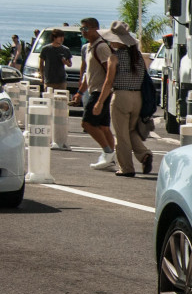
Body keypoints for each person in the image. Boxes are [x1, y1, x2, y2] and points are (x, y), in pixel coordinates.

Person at [98, 20, 154, 178]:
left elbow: (109, 82)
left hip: (121, 96)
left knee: (121, 134)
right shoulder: (138, 58)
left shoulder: (114, 58)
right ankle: (144, 154)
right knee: (130, 130)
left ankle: (126, 167)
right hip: (137, 97)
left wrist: (100, 102)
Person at [77, 18, 116, 170]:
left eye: (86, 29)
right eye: (82, 29)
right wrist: (80, 92)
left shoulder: (101, 47)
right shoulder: (89, 47)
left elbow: (109, 73)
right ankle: (110, 159)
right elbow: (88, 74)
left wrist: (101, 98)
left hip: (101, 91)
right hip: (94, 89)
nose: (83, 32)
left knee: (87, 123)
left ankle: (108, 153)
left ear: (95, 29)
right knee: (103, 126)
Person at [38, 29, 72, 95]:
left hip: (61, 80)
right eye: (60, 37)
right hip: (49, 80)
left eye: (63, 37)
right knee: (48, 98)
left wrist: (66, 62)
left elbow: (70, 64)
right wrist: (42, 76)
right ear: (54, 37)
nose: (62, 39)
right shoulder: (46, 49)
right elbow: (41, 63)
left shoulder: (66, 49)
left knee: (60, 100)